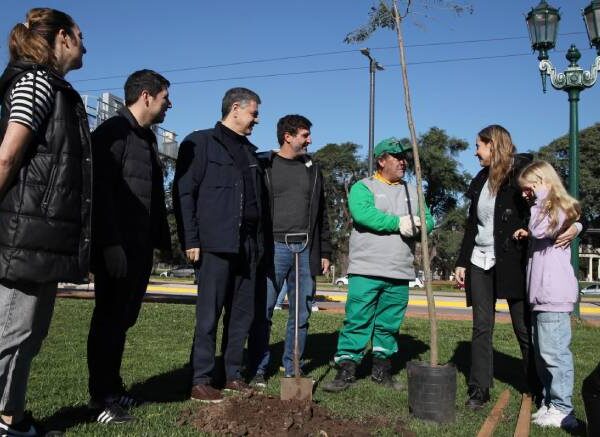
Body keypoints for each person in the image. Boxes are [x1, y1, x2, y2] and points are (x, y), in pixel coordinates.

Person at [0, 8, 90, 436]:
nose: (85, 45)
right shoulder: (35, 81)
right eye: (80, 35)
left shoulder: (54, 86)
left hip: (44, 234)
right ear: (62, 38)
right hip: (24, 233)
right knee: (10, 333)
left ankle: (10, 418)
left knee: (28, 337)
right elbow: (7, 154)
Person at [454, 125, 582, 409]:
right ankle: (479, 388)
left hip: (514, 260)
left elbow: (558, 203)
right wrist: (462, 261)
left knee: (523, 328)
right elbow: (472, 224)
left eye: (479, 146)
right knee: (481, 327)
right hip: (480, 259)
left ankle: (537, 387)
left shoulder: (523, 174)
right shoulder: (479, 181)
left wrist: (576, 227)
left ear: (494, 145)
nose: (475, 152)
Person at [87, 70, 172, 423]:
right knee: (108, 320)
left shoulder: (147, 139)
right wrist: (109, 244)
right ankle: (102, 398)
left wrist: (160, 243)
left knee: (122, 320)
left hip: (138, 248)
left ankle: (114, 386)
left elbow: (150, 196)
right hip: (116, 248)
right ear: (147, 96)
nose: (170, 105)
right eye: (166, 97)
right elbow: (99, 192)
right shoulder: (112, 133)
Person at [174, 87, 265, 403]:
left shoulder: (251, 152)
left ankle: (231, 375)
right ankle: (200, 379)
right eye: (254, 113)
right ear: (236, 108)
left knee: (241, 316)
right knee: (209, 316)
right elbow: (185, 193)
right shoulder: (200, 142)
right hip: (215, 244)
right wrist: (192, 239)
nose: (256, 120)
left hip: (248, 247)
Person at [323, 138, 434, 392]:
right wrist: (399, 223)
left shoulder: (414, 191)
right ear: (381, 160)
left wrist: (420, 225)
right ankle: (346, 369)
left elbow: (428, 220)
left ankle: (382, 369)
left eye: (404, 157)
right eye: (396, 157)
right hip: (366, 270)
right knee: (357, 319)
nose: (402, 161)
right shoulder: (364, 187)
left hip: (400, 270)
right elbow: (363, 214)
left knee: (389, 323)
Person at [247, 114, 331, 386]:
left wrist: (326, 251)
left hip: (306, 249)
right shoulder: (263, 165)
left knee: (302, 311)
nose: (310, 140)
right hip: (273, 247)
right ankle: (258, 367)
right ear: (288, 136)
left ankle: (292, 367)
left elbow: (323, 215)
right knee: (264, 309)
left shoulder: (313, 169)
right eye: (305, 135)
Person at [515, 161, 579, 429]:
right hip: (541, 296)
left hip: (554, 295)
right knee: (543, 353)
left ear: (542, 182)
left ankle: (564, 410)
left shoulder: (557, 208)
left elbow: (541, 229)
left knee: (555, 354)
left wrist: (542, 196)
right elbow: (539, 230)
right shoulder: (547, 209)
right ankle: (551, 402)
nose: (524, 194)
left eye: (528, 188)